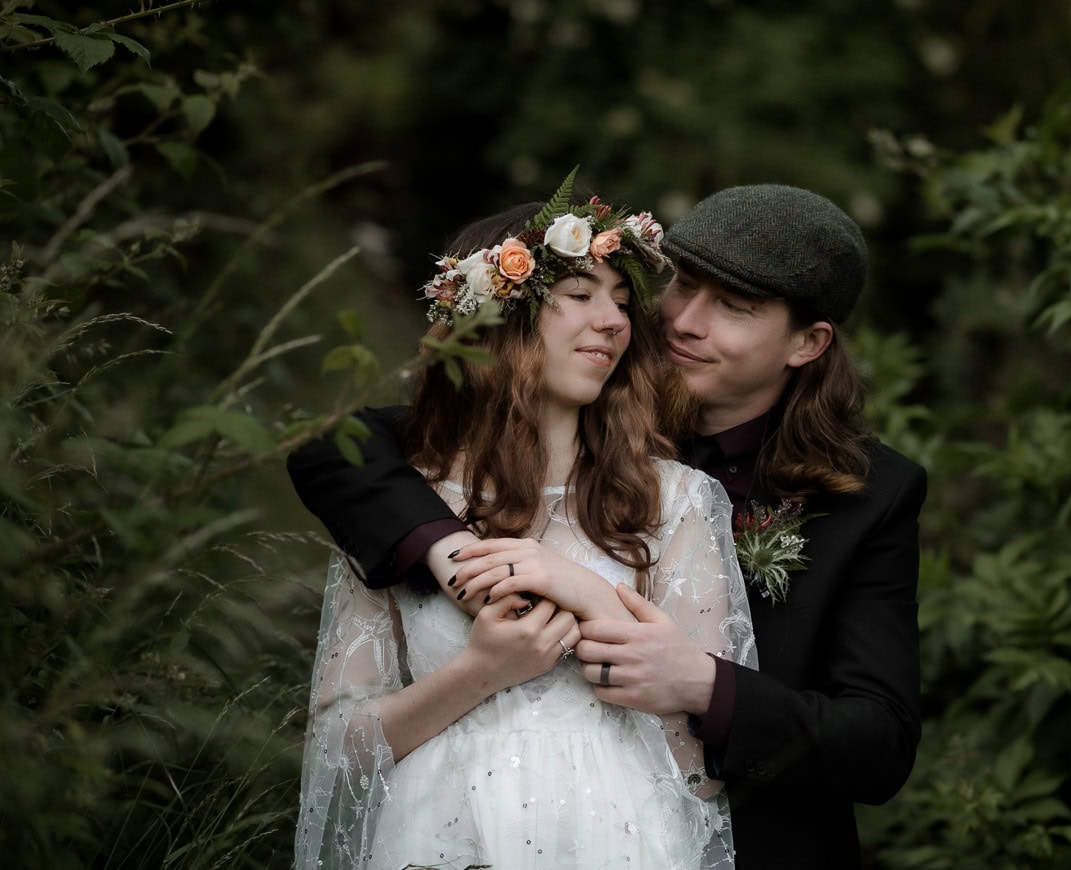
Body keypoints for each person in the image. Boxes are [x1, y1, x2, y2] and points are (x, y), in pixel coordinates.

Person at [289, 183, 926, 868]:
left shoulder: (864, 495)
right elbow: (337, 449)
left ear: (808, 343)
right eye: (680, 284)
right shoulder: (590, 393)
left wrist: (700, 683)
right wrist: (449, 550)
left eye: (734, 308)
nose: (681, 321)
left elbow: (876, 744)